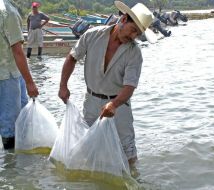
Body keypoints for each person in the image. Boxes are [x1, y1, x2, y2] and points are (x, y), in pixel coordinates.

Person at [58, 1, 154, 165]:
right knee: (87, 147)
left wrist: (114, 105)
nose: (133, 37)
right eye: (133, 30)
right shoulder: (92, 35)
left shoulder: (134, 52)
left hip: (120, 106)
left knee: (128, 152)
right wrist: (63, 86)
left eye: (137, 34)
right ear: (123, 20)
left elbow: (129, 87)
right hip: (91, 101)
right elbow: (72, 58)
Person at [0, 0, 39, 149]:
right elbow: (17, 51)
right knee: (10, 124)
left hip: (11, 72)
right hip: (8, 74)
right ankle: (12, 167)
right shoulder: (8, 12)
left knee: (17, 115)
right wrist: (30, 82)